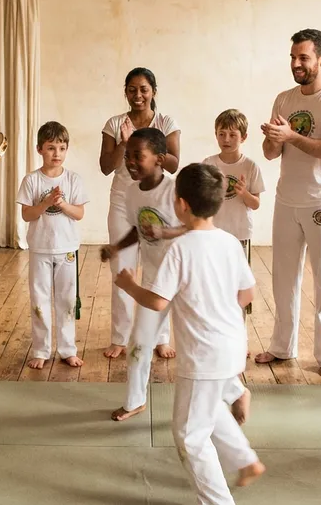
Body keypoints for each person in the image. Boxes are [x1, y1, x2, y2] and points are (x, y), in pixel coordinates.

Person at [115, 163, 265, 505]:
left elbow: (156, 301)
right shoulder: (229, 242)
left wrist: (129, 284)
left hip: (203, 353)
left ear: (180, 204)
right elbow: (247, 294)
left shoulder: (180, 249)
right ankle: (245, 460)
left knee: (189, 435)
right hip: (232, 344)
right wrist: (218, 305)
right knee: (207, 409)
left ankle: (219, 502)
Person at [256, 29, 321, 378]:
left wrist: (293, 136)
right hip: (287, 199)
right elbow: (271, 154)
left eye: (303, 58)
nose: (296, 64)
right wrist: (272, 138)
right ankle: (282, 345)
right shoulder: (284, 99)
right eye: (293, 57)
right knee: (283, 277)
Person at [101, 128, 185, 421]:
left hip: (186, 280)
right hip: (154, 280)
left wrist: (165, 231)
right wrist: (116, 247)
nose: (130, 161)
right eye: (127, 155)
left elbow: (194, 227)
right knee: (139, 341)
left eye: (138, 155)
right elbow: (138, 229)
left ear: (160, 159)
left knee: (196, 346)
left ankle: (232, 394)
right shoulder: (132, 192)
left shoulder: (175, 190)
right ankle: (135, 400)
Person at [99, 68, 181, 359]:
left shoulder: (166, 122)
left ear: (153, 92)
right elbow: (106, 166)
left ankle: (160, 337)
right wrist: (125, 143)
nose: (138, 95)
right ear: (126, 92)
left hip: (156, 201)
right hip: (123, 199)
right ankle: (120, 337)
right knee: (123, 266)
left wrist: (143, 143)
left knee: (158, 267)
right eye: (132, 89)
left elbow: (172, 164)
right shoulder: (114, 123)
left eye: (144, 89)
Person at [17, 121, 89, 370]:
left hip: (67, 249)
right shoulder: (31, 180)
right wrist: (47, 202)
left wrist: (62, 204)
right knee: (40, 299)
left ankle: (67, 348)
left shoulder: (73, 179)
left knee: (67, 300)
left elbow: (79, 213)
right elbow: (27, 215)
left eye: (61, 148)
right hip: (40, 249)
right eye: (50, 148)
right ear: (39, 149)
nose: (56, 154)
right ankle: (41, 349)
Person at [202, 109, 264, 318]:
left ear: (243, 137)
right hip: (213, 233)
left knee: (239, 285)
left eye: (232, 135)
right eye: (221, 134)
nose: (226, 139)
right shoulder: (209, 164)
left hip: (239, 234)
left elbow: (255, 204)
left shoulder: (250, 166)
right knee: (214, 283)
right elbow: (201, 200)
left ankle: (240, 335)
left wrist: (243, 193)